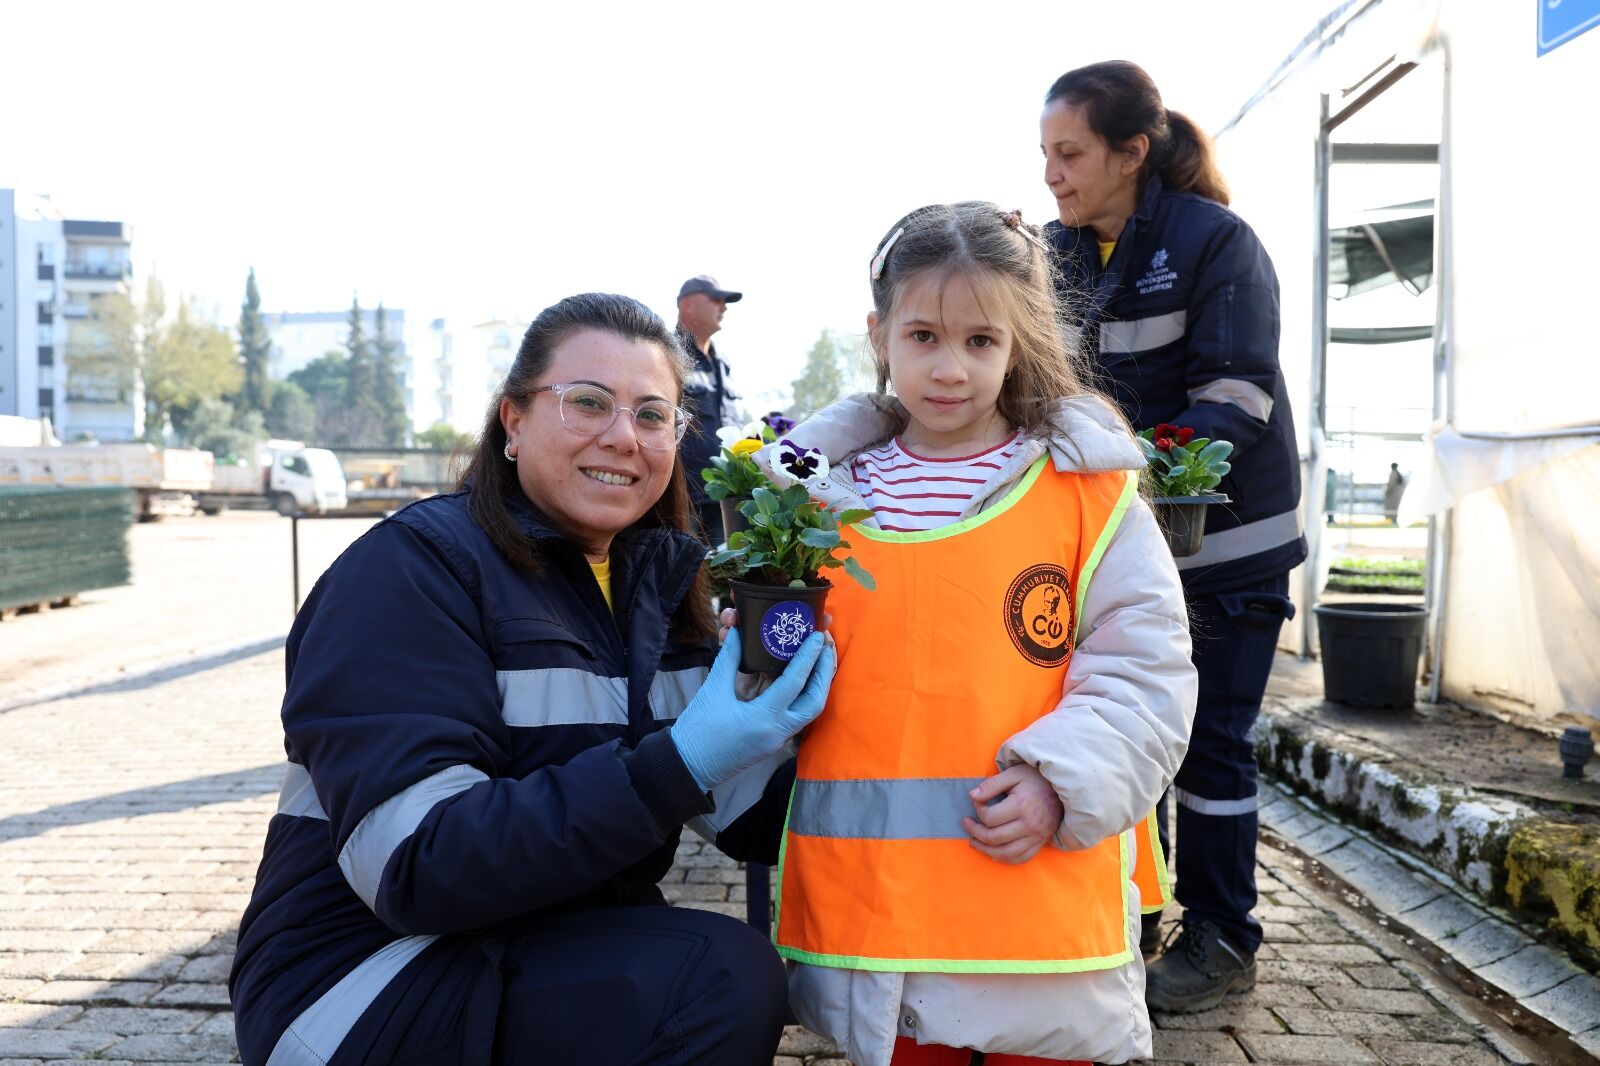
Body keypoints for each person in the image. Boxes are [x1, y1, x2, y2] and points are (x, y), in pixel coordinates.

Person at [229, 292, 837, 1066]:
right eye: (588, 402)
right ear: (513, 422)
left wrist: (871, 737)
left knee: (720, 968)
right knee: (715, 977)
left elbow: (754, 813)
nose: (624, 437)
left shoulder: (660, 587)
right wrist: (678, 762)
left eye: (653, 415)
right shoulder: (411, 570)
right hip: (361, 983)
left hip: (535, 939)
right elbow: (417, 864)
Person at [751, 202, 1197, 1065]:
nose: (949, 368)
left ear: (1017, 343)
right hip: (880, 924)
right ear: (879, 335)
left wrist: (1061, 782)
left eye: (980, 341)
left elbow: (1145, 668)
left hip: (1039, 911)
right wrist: (757, 650)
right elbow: (778, 682)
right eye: (923, 336)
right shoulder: (810, 502)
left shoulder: (1085, 490)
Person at [1039, 60, 1306, 1013]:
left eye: (1069, 154)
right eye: (1044, 155)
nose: (1052, 176)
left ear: (1131, 153)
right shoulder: (1056, 255)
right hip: (1124, 547)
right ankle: (1133, 913)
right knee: (1125, 729)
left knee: (1211, 745)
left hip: (1229, 548)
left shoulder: (1215, 242)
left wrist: (1130, 471)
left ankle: (1223, 936)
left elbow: (1236, 395)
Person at [674, 274, 745, 544]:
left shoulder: (723, 364)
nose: (723, 307)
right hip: (683, 500)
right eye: (716, 299)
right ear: (687, 305)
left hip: (726, 497)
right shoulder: (666, 355)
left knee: (728, 566)